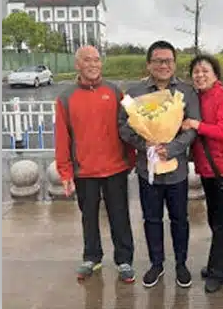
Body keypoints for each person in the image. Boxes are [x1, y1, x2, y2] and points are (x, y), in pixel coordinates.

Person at [119, 40, 201, 288]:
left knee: (180, 219)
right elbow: (123, 126)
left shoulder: (187, 92)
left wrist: (172, 148)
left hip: (176, 171)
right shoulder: (135, 92)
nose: (164, 65)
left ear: (174, 64)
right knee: (152, 219)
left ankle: (181, 264)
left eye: (168, 61)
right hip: (148, 171)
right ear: (149, 64)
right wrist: (149, 146)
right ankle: (157, 264)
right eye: (158, 61)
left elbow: (193, 126)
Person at [55, 45, 136, 282]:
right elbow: (62, 137)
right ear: (77, 65)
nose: (93, 64)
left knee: (119, 215)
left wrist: (131, 159)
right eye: (87, 60)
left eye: (97, 60)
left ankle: (124, 260)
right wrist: (65, 172)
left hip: (116, 168)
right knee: (88, 216)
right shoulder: (66, 98)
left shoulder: (114, 91)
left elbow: (130, 126)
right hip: (84, 170)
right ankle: (92, 257)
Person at [182, 54, 223, 293]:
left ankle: (218, 272)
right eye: (196, 72)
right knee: (217, 220)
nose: (199, 75)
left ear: (215, 75)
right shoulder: (199, 97)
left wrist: (195, 125)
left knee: (221, 222)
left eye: (205, 71)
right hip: (211, 170)